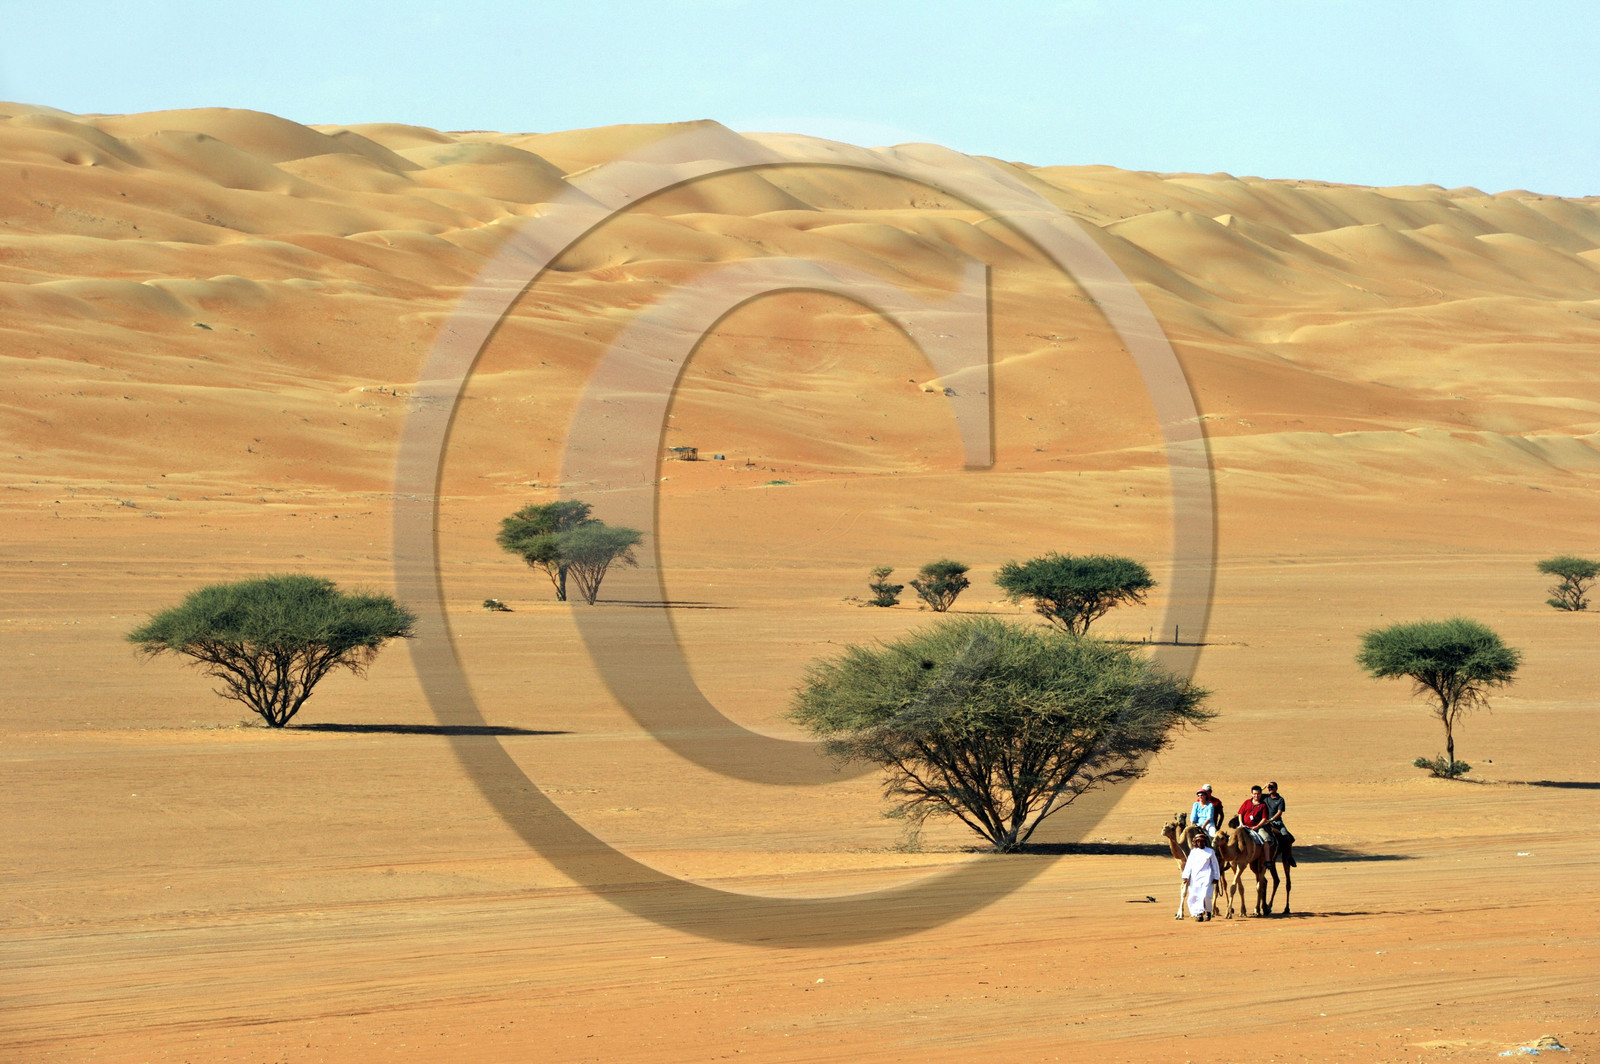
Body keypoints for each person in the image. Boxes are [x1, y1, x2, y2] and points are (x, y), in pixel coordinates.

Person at [1181, 829, 1222, 920]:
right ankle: (1199, 914)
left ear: (1205, 842)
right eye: (1198, 841)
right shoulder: (1193, 852)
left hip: (1207, 877)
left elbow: (1215, 864)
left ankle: (1208, 911)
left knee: (1205, 896)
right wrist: (1185, 876)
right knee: (1195, 896)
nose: (1200, 843)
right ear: (1196, 842)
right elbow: (1189, 865)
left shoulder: (1210, 852)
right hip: (1195, 878)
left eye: (1202, 841)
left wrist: (1216, 877)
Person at [1263, 781, 1297, 867]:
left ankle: (1289, 856)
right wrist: (1263, 787)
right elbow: (1255, 793)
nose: (1270, 789)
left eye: (1272, 787)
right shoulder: (1266, 797)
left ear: (1276, 788)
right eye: (1269, 787)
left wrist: (1271, 819)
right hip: (1264, 821)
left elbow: (1279, 813)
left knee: (1286, 835)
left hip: (1276, 821)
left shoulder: (1280, 800)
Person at [1238, 785, 1271, 849]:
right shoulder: (1247, 802)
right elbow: (1240, 813)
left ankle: (1267, 858)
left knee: (1266, 840)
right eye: (1254, 794)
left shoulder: (1263, 805)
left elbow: (1264, 819)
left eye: (1258, 794)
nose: (1256, 796)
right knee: (1234, 837)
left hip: (1257, 828)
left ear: (1261, 794)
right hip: (1244, 826)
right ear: (1251, 794)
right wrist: (1241, 823)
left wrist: (1257, 827)